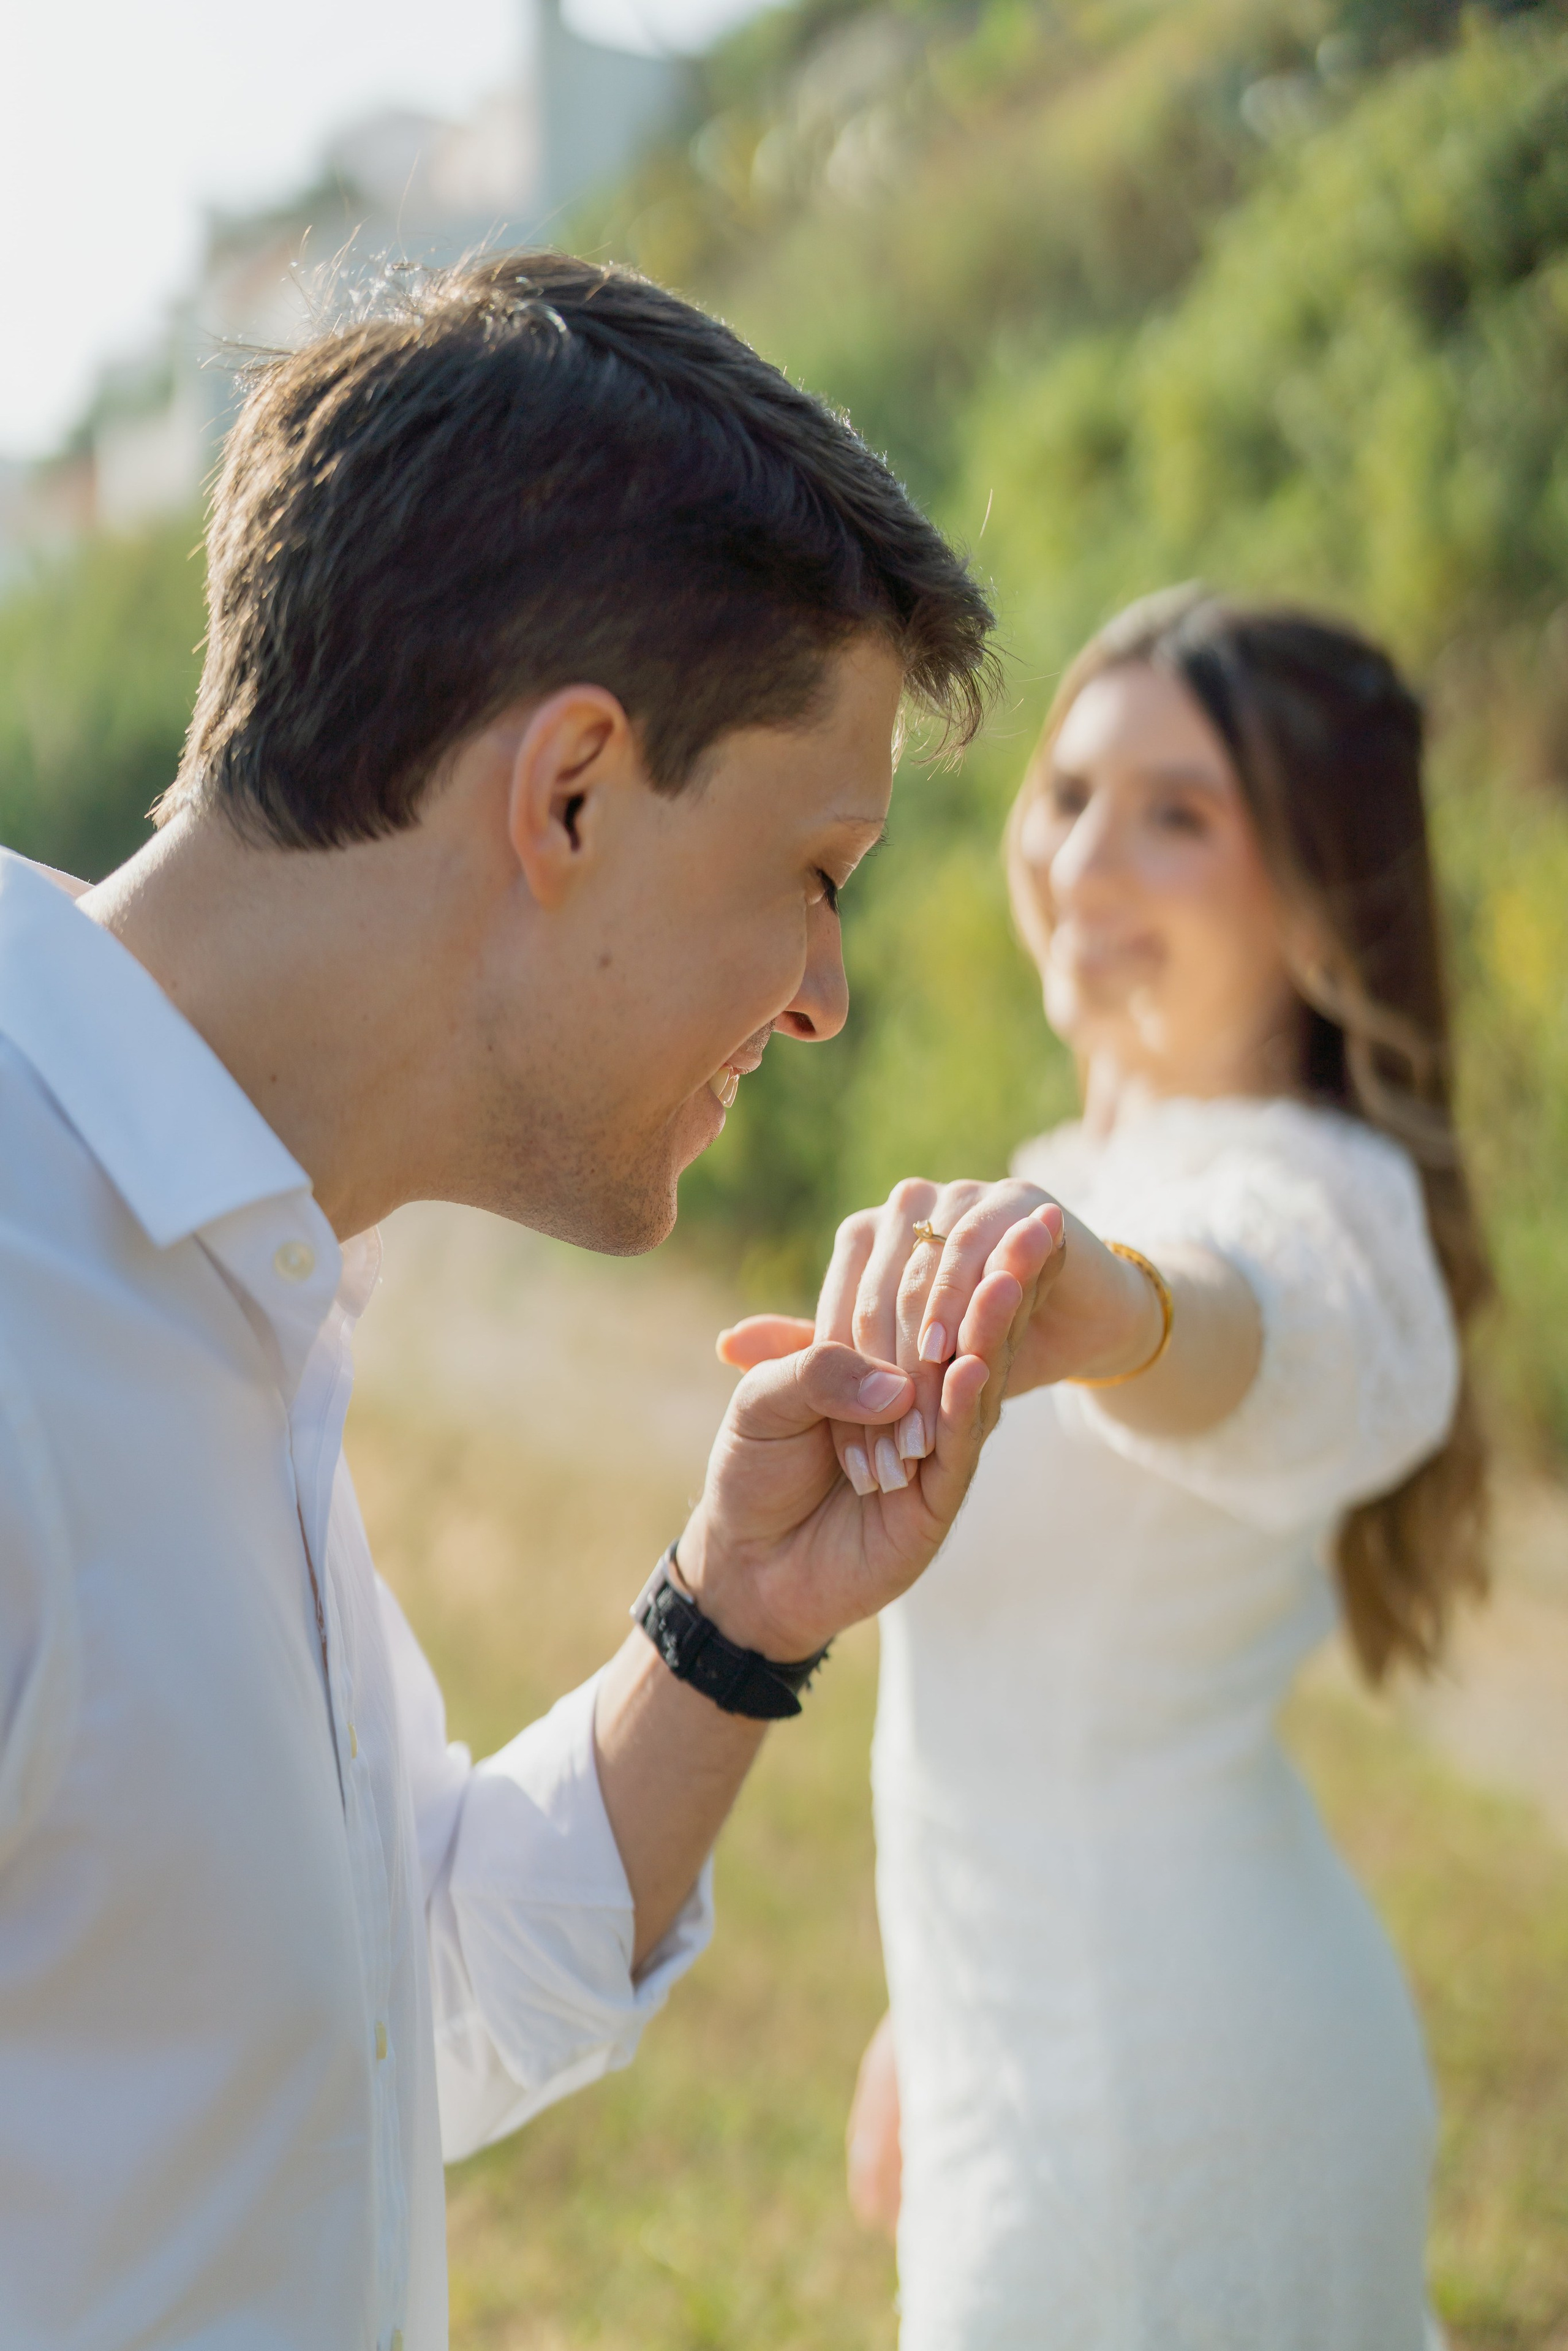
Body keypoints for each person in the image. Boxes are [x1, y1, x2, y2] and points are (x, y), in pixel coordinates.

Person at [0, 252, 1074, 2350]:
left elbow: (385, 2021)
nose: (826, 994)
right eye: (817, 867)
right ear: (569, 790)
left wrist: (731, 1623)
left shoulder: (240, 1287)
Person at [724, 587, 1490, 2349]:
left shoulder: (1300, 1191)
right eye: (1068, 791)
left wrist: (1119, 1310)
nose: (1083, 859)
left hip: (1179, 2084)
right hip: (1033, 2038)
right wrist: (932, 2007)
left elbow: (1272, 1331)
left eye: (1178, 815)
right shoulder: (1072, 1166)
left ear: (1319, 892)